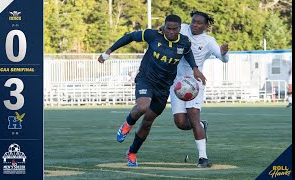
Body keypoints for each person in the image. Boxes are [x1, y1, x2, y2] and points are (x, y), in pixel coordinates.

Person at [98, 14, 206, 167]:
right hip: (146, 79)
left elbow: (187, 53)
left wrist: (195, 69)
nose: (170, 32)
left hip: (163, 88)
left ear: (180, 29)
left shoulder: (184, 42)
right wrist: (109, 51)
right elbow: (130, 37)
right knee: (143, 106)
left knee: (147, 123)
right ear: (164, 26)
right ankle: (127, 125)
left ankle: (132, 152)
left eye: (174, 29)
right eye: (168, 28)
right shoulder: (153, 35)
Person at [169, 11, 229, 168]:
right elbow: (167, 30)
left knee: (193, 116)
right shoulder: (182, 29)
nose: (195, 25)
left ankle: (203, 158)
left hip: (195, 83)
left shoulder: (209, 41)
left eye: (199, 23)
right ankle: (202, 125)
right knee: (181, 123)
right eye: (193, 21)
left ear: (206, 26)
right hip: (176, 83)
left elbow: (223, 59)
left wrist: (223, 54)